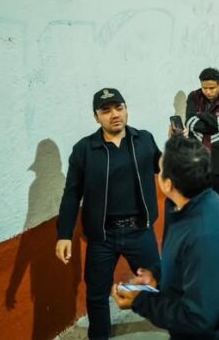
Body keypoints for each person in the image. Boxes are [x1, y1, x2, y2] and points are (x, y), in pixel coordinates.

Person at [111, 135, 219, 340]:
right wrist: (156, 275)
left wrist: (140, 301)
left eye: (160, 170)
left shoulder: (205, 235)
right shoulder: (185, 205)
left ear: (168, 184)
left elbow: (198, 319)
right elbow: (182, 258)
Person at [56, 88, 161, 340]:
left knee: (159, 285)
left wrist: (181, 145)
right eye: (106, 110)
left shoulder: (143, 140)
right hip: (102, 236)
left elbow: (164, 167)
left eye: (119, 107)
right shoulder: (85, 150)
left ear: (126, 109)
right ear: (96, 117)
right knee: (96, 295)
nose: (114, 114)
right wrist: (64, 234)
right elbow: (72, 194)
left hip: (139, 230)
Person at [185, 68, 219, 209]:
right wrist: (215, 119)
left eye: (212, 88)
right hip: (198, 157)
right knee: (200, 198)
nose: (208, 92)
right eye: (204, 88)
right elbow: (189, 123)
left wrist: (201, 115)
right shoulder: (193, 97)